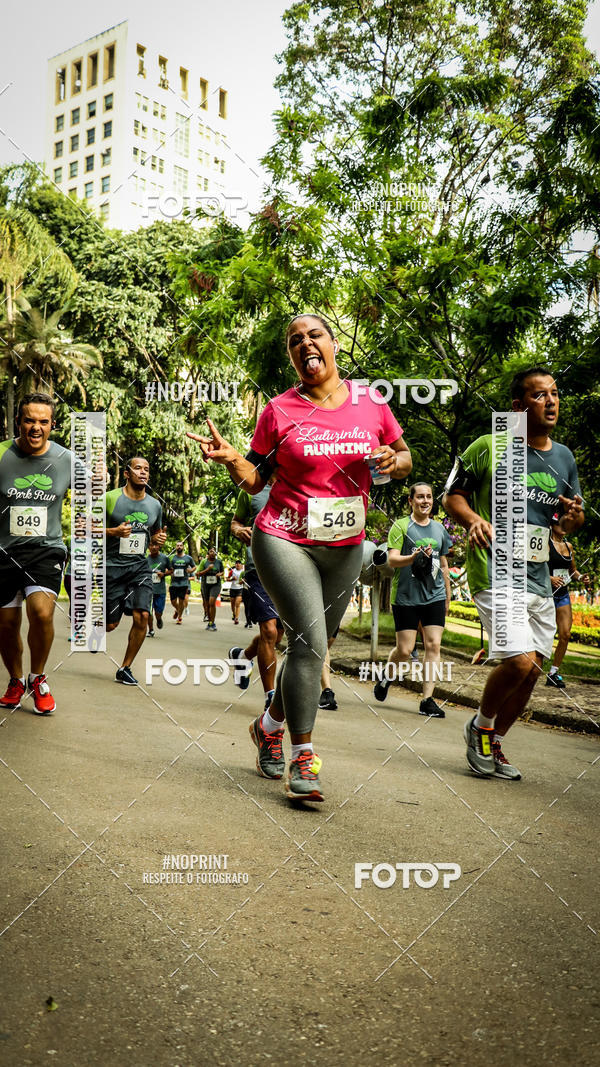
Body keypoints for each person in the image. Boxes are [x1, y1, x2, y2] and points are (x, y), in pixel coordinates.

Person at [188, 312, 411, 802]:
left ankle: (268, 725)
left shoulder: (370, 402)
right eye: (294, 341)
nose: (305, 344)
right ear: (291, 355)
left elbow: (404, 455)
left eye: (314, 335)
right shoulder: (278, 411)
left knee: (313, 648)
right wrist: (232, 460)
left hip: (345, 546)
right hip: (283, 538)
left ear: (333, 345)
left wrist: (395, 462)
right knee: (309, 643)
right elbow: (256, 480)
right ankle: (302, 757)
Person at [443, 366, 584, 780]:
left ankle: (493, 740)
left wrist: (570, 523)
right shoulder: (489, 445)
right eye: (541, 396)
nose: (552, 401)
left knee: (535, 669)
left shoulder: (564, 457)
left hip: (539, 575)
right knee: (520, 662)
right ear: (518, 407)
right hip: (495, 569)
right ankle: (481, 725)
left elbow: (562, 522)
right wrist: (472, 519)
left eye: (555, 393)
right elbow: (453, 496)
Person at [0, 393, 75, 714]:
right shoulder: (2, 454)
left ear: (52, 425)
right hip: (4, 552)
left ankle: (38, 676)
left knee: (42, 612)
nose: (36, 427)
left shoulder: (67, 459)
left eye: (43, 422)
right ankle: (16, 680)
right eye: (29, 420)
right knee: (5, 623)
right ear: (18, 422)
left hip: (46, 550)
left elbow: (92, 493)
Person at [374, 483, 452, 717]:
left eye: (428, 497)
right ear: (411, 501)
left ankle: (427, 699)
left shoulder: (439, 529)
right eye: (420, 497)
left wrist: (447, 594)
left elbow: (444, 563)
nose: (425, 501)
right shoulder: (401, 526)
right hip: (406, 596)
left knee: (433, 645)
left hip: (434, 595)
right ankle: (387, 677)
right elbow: (393, 560)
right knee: (405, 650)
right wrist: (414, 557)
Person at [229, 483, 285, 773]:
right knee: (269, 632)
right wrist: (239, 530)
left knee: (279, 634)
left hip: (292, 569)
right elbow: (235, 522)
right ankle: (270, 696)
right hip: (258, 569)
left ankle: (242, 656)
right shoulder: (251, 490)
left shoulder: (304, 484)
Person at [104, 457, 167, 685]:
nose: (143, 472)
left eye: (146, 469)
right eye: (138, 468)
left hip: (140, 567)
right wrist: (114, 532)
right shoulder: (110, 498)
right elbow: (87, 529)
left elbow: (155, 538)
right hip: (112, 567)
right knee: (110, 625)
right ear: (127, 473)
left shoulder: (154, 505)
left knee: (143, 616)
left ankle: (125, 667)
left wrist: (158, 540)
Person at [546, 521, 590, 689]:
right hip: (546, 594)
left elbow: (572, 570)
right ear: (552, 525)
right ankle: (530, 668)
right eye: (561, 524)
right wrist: (550, 579)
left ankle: (553, 673)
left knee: (565, 634)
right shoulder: (546, 544)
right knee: (545, 634)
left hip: (562, 594)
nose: (564, 526)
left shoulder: (568, 545)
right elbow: (536, 566)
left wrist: (581, 578)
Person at [167, 541, 195, 625]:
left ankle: (179, 617)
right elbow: (168, 568)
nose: (179, 547)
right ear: (175, 547)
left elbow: (194, 566)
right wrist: (170, 571)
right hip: (174, 583)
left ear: (183, 547)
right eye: (177, 545)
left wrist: (191, 570)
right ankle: (177, 609)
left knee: (181, 600)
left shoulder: (188, 558)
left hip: (184, 582)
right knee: (173, 601)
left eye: (180, 545)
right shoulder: (172, 557)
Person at [196, 547, 224, 631]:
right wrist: (207, 569)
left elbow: (222, 572)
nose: (212, 552)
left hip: (216, 584)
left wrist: (220, 574)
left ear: (216, 553)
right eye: (211, 551)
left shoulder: (219, 562)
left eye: (214, 551)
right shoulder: (204, 562)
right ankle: (210, 622)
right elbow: (198, 574)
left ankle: (212, 622)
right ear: (208, 553)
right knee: (207, 604)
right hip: (205, 584)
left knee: (212, 602)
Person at [148, 542, 170, 635]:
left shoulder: (164, 558)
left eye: (155, 545)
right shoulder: (145, 559)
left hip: (160, 590)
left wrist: (163, 574)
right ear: (148, 547)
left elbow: (171, 570)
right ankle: (151, 630)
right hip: (148, 590)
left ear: (159, 546)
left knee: (158, 612)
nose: (153, 547)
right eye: (151, 545)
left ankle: (159, 619)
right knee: (148, 612)